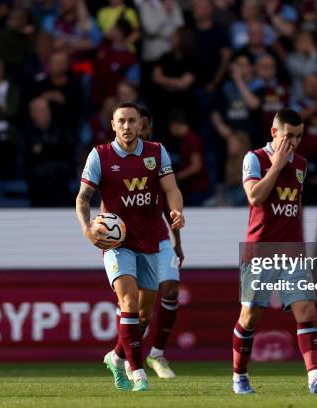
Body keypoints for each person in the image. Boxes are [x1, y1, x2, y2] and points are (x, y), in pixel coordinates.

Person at [232, 108, 317, 394]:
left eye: (298, 136)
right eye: (288, 136)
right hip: (259, 250)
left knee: (306, 309)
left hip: (292, 250)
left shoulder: (303, 164)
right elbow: (255, 198)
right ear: (274, 133)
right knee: (249, 317)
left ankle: (315, 377)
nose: (293, 142)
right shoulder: (254, 158)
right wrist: (278, 165)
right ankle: (239, 375)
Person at [76, 102, 185, 392]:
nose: (126, 126)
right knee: (129, 303)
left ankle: (116, 356)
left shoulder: (156, 152)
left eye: (132, 121)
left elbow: (171, 189)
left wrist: (176, 211)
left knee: (145, 315)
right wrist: (88, 230)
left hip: (150, 240)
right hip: (117, 242)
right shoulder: (99, 156)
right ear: (113, 124)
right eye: (121, 121)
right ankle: (138, 373)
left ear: (141, 125)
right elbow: (83, 198)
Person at [121, 107, 184, 379]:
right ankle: (124, 355)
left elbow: (170, 200)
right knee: (139, 311)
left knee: (170, 290)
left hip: (159, 238)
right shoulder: (118, 160)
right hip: (129, 241)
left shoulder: (156, 157)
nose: (138, 130)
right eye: (135, 124)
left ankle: (157, 354)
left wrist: (177, 242)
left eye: (143, 126)